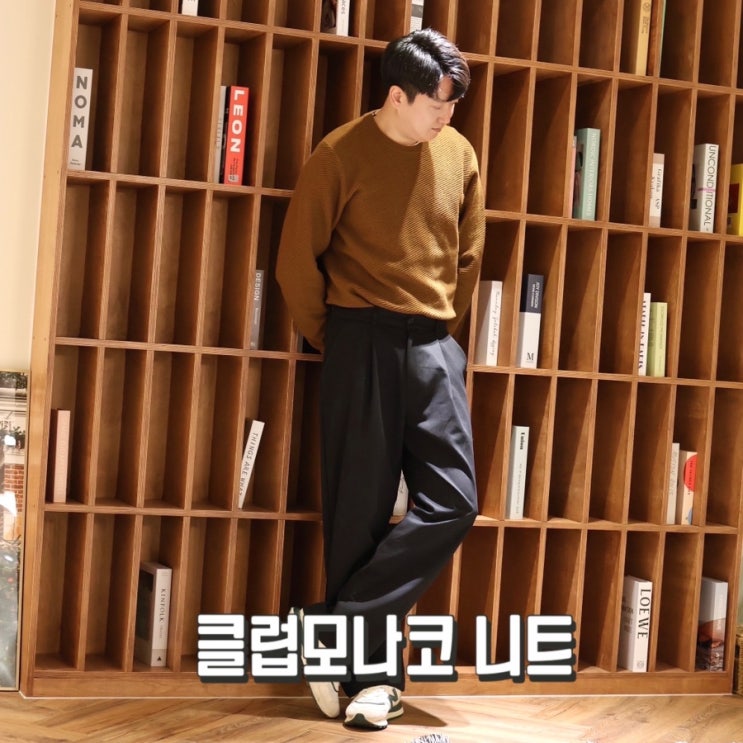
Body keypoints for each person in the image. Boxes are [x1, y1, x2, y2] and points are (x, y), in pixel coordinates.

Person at [276, 27, 485, 731]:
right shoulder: (339, 154)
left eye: (452, 103)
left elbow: (468, 255)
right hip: (357, 339)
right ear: (397, 96)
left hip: (433, 345)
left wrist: (441, 333)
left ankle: (329, 629)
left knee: (455, 502)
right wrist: (336, 339)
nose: (446, 116)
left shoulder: (458, 154)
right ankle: (373, 684)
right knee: (357, 516)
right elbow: (297, 262)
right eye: (436, 103)